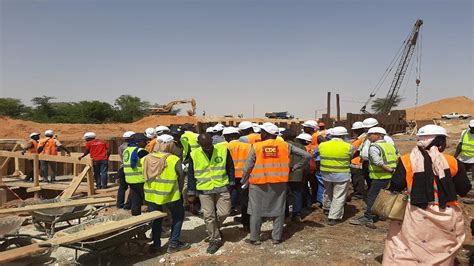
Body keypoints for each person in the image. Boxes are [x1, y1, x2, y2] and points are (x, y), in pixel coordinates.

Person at [383, 124, 471, 265]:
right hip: (445, 212)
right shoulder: (453, 162)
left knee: (407, 246)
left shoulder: (406, 160)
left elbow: (396, 185)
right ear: (440, 142)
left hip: (415, 212)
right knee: (441, 247)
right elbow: (464, 189)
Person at [241, 123, 310, 245]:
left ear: (266, 133)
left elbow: (247, 167)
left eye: (262, 132)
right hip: (279, 183)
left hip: (258, 183)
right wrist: (295, 167)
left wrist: (244, 181)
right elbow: (307, 156)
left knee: (256, 211)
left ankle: (254, 238)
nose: (260, 134)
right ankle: (276, 237)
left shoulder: (256, 146)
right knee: (278, 210)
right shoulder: (285, 146)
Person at [187, 133, 235, 254]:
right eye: (205, 145)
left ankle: (214, 229)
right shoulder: (194, 154)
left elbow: (230, 167)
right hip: (204, 189)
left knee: (225, 212)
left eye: (209, 144)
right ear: (199, 144)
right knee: (209, 215)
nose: (208, 147)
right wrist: (191, 192)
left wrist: (231, 183)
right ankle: (215, 239)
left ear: (212, 141)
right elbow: (191, 174)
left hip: (221, 186)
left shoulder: (223, 150)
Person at [143, 134, 191, 254]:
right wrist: (179, 191)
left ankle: (156, 245)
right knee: (178, 217)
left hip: (151, 195)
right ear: (171, 145)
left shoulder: (145, 158)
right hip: (170, 195)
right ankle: (173, 244)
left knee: (156, 219)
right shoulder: (173, 159)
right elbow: (180, 177)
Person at [350, 127, 398, 226]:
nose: (368, 136)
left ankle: (368, 217)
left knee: (372, 196)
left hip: (379, 176)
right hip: (388, 177)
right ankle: (379, 214)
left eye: (370, 134)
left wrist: (390, 170)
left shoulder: (374, 147)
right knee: (383, 196)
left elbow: (378, 162)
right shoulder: (389, 146)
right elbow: (397, 156)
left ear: (379, 135)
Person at [318, 127, 353, 225]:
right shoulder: (348, 146)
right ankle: (334, 217)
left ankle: (327, 208)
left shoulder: (322, 145)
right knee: (339, 195)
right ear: (344, 135)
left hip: (326, 173)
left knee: (328, 191)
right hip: (342, 174)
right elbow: (350, 157)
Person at [223, 127, 251, 230]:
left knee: (224, 199)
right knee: (245, 201)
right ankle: (246, 224)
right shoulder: (248, 146)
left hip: (228, 177)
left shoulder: (223, 147)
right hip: (244, 176)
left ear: (227, 137)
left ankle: (219, 222)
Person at [358, 118, 395, 189]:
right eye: (365, 129)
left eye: (368, 128)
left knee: (378, 187)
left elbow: (392, 152)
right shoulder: (366, 138)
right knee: (370, 185)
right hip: (368, 164)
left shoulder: (386, 138)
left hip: (380, 166)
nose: (367, 131)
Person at [123, 133, 149, 216]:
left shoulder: (127, 150)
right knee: (150, 200)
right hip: (140, 179)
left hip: (130, 179)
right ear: (137, 142)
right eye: (144, 141)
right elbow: (149, 164)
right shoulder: (141, 151)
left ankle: (136, 216)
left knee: (136, 199)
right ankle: (154, 220)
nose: (146, 143)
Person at [288, 133, 312, 221]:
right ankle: (296, 214)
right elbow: (306, 161)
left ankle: (285, 213)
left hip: (283, 173)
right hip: (297, 174)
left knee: (284, 194)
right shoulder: (301, 147)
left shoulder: (281, 145)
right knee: (297, 194)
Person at [116, 131, 135, 209]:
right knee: (133, 187)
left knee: (122, 187)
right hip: (130, 169)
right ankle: (128, 204)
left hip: (122, 167)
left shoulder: (120, 147)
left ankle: (119, 204)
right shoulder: (131, 147)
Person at [349, 121, 367, 200]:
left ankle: (359, 193)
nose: (354, 131)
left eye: (356, 130)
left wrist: (350, 157)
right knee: (355, 178)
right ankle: (358, 192)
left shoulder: (363, 138)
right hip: (355, 161)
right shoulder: (359, 138)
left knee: (358, 178)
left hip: (358, 162)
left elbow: (358, 151)